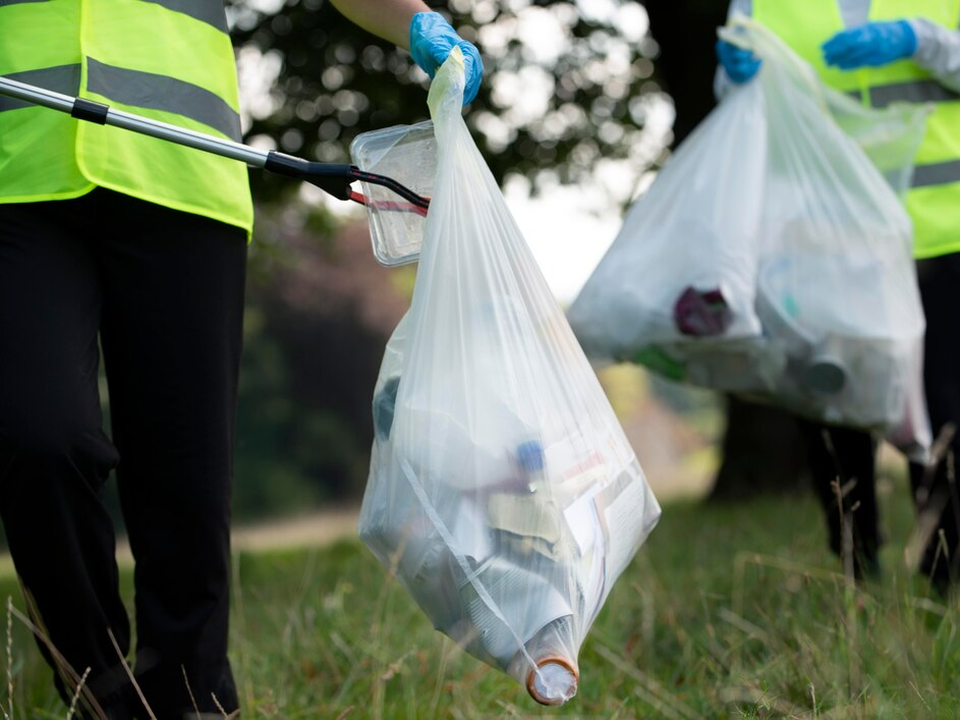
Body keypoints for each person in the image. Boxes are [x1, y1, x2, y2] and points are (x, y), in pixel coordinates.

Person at [0, 2, 481, 718]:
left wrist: (416, 21)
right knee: (31, 435)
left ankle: (191, 700)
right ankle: (97, 694)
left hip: (184, 173)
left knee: (184, 480)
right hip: (15, 172)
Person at [716, 0, 960, 593]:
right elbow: (731, 99)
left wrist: (921, 39)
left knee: (949, 415)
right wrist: (735, 76)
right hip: (821, 245)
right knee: (832, 419)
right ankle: (859, 570)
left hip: (940, 234)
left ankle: (944, 577)